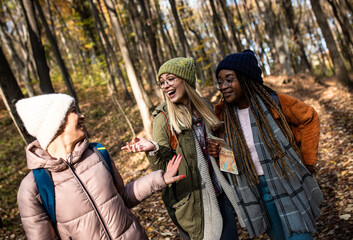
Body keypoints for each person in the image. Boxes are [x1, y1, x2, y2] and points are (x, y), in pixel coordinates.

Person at [15, 93, 184, 240]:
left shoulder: (97, 153)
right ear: (55, 124)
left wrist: (161, 178)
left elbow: (122, 197)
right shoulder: (32, 188)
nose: (82, 116)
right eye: (74, 111)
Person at [122, 57, 243, 240]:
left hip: (221, 193)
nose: (165, 85)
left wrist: (218, 152)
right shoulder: (163, 117)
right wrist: (153, 149)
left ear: (185, 80)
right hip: (192, 204)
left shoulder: (206, 107)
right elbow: (162, 171)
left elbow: (224, 149)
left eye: (170, 79)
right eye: (162, 82)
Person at [208, 50, 323, 239]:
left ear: (245, 79)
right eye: (220, 81)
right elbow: (231, 163)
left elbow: (309, 117)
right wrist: (220, 153)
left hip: (286, 180)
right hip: (256, 189)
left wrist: (308, 161)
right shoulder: (223, 116)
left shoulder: (273, 102)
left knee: (300, 235)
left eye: (230, 79)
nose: (223, 86)